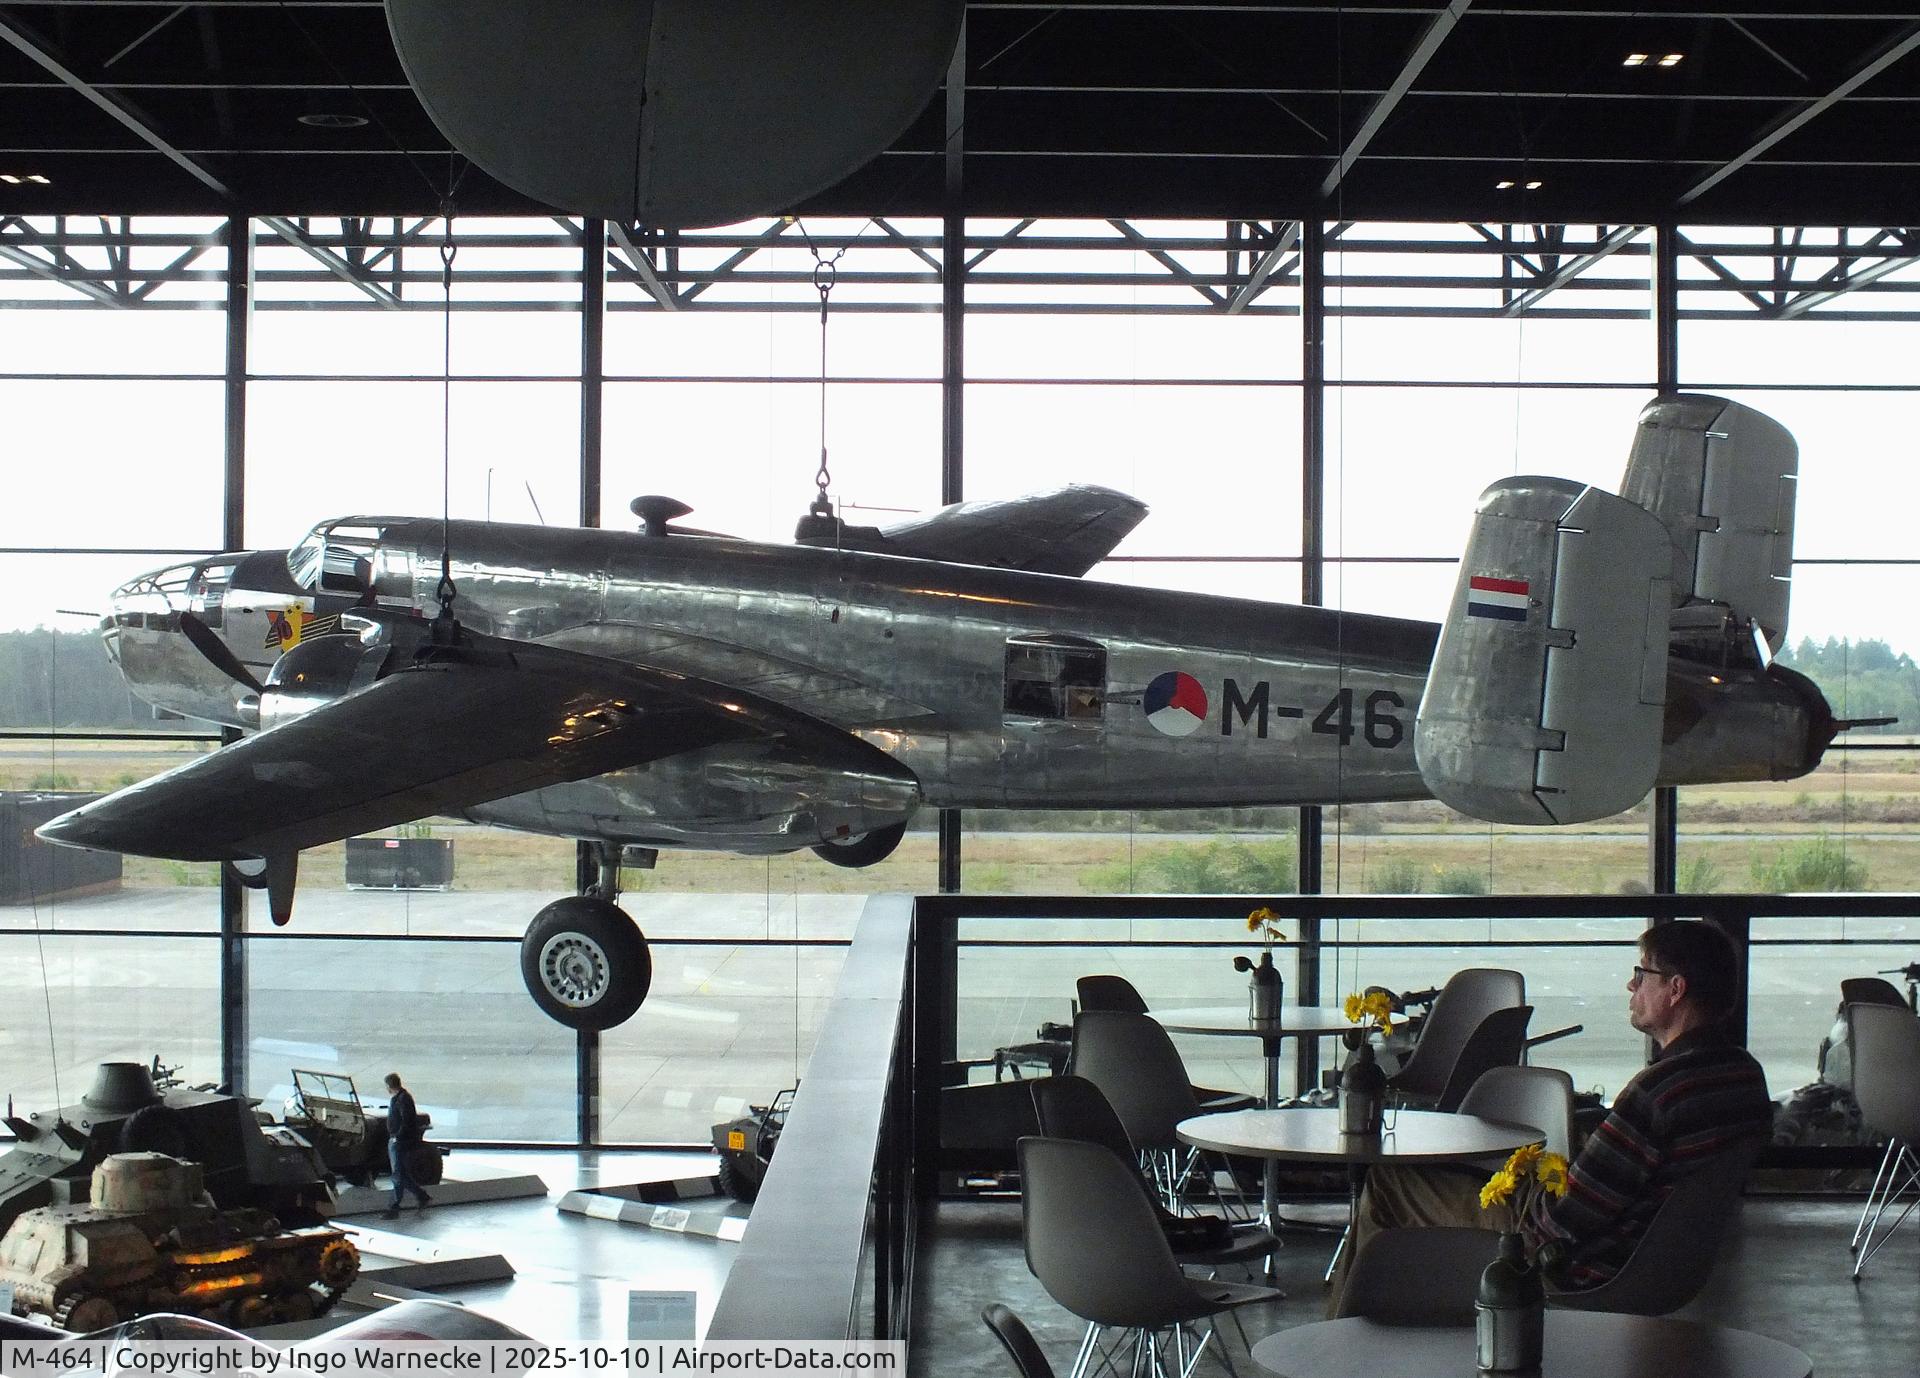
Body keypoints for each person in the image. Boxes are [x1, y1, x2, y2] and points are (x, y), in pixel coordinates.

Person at [1328, 920, 1772, 1312]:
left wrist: (1524, 1196)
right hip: (1665, 1263)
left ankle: (1338, 1348)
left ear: (1676, 989)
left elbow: (1557, 1221)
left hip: (1581, 1261)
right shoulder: (1744, 1077)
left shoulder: (1657, 1094)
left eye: (1642, 973)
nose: (1631, 986)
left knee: (1388, 1185)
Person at [382, 1072, 431, 1219]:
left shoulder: (403, 1099)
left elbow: (407, 1121)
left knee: (398, 1175)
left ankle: (398, 1205)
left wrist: (397, 1136)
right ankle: (415, 1198)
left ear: (389, 1086)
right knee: (400, 1174)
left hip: (400, 1141)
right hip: (399, 1139)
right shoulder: (401, 1098)